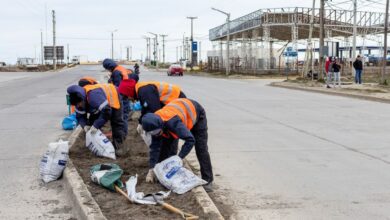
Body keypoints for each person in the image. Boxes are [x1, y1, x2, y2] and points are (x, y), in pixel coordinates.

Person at [141, 98, 214, 192]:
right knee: (165, 149)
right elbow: (155, 148)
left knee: (201, 148)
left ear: (161, 125)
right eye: (153, 133)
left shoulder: (172, 123)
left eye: (157, 132)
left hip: (196, 114)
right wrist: (152, 168)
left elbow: (190, 140)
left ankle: (208, 180)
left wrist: (179, 158)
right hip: (177, 116)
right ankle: (165, 176)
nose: (156, 134)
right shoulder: (154, 124)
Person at [67, 84, 128, 156]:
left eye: (79, 104)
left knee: (116, 122)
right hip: (101, 104)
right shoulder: (79, 101)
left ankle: (119, 146)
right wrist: (85, 126)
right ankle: (96, 145)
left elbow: (107, 112)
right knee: (91, 124)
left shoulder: (93, 97)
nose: (78, 106)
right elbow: (80, 117)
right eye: (76, 105)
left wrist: (96, 125)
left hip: (113, 96)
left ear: (82, 99)